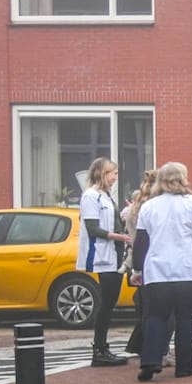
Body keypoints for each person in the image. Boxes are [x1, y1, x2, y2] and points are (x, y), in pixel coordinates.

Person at [130, 162, 192, 383]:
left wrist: (137, 268)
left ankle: (150, 361)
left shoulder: (149, 206)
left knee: (156, 316)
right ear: (184, 178)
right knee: (186, 318)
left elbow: (141, 243)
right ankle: (186, 366)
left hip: (157, 272)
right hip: (189, 271)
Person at [79, 157, 131, 367]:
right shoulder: (91, 196)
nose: (115, 178)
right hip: (103, 255)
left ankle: (102, 347)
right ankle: (99, 349)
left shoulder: (106, 195)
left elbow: (114, 221)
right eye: (112, 173)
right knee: (107, 303)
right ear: (102, 174)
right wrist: (118, 237)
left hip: (113, 253)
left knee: (110, 302)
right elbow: (92, 228)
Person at [119, 169, 157, 360]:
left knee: (145, 307)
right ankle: (153, 350)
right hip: (149, 262)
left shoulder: (135, 207)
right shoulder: (151, 207)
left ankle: (140, 346)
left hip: (135, 259)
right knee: (156, 310)